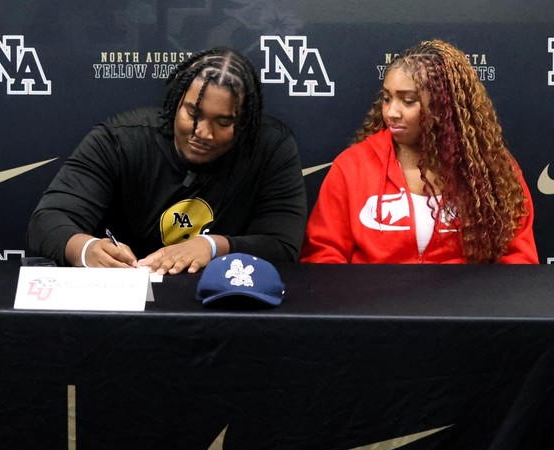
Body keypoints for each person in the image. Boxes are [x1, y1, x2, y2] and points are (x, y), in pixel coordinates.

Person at [27, 47, 307, 274]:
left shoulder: (271, 147)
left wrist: (212, 246)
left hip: (225, 307)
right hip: (127, 303)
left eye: (223, 122)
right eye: (192, 113)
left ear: (244, 124)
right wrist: (87, 250)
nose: (202, 132)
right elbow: (47, 221)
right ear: (175, 103)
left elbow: (281, 245)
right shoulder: (120, 139)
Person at [301, 39, 537, 264]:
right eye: (386, 98)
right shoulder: (352, 166)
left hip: (463, 304)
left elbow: (518, 260)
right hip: (373, 303)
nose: (391, 112)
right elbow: (324, 253)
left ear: (444, 106)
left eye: (408, 101)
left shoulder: (491, 170)